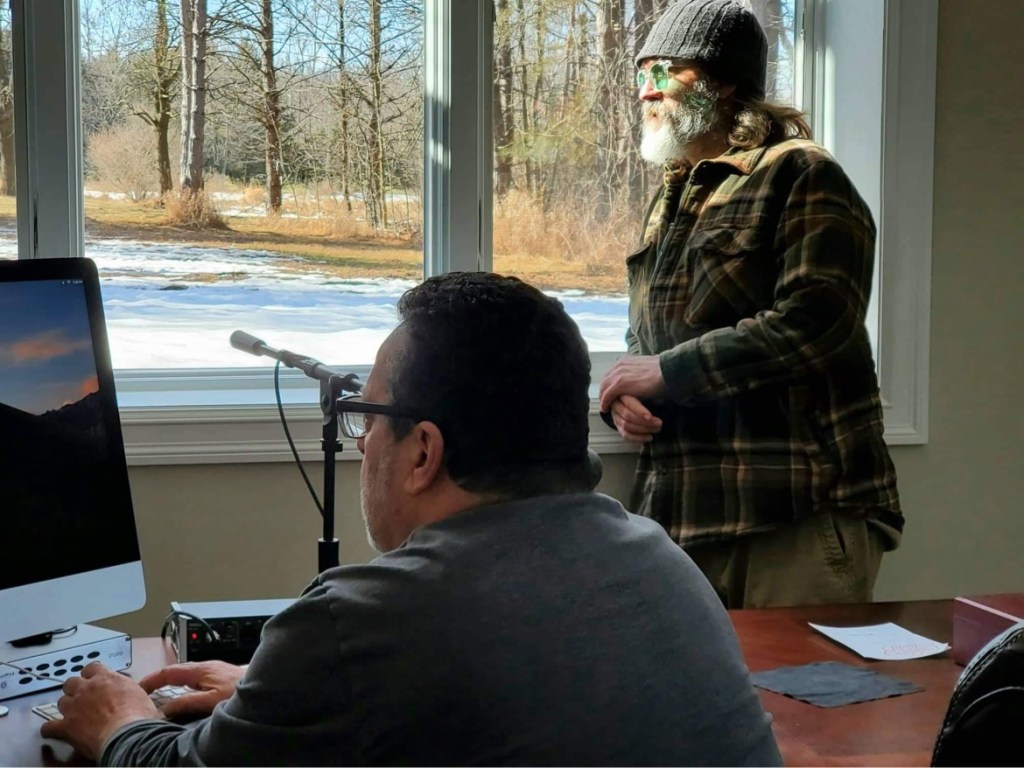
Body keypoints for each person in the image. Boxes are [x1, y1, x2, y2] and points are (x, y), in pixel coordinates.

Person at [43, 272, 782, 766]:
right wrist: (285, 697)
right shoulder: (659, 558)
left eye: (367, 418)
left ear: (423, 450)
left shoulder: (365, 618)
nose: (361, 443)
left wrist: (119, 717)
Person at [598, 0, 902, 609]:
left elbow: (818, 321)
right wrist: (628, 401)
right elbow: (650, 341)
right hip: (685, 521)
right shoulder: (670, 201)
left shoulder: (801, 173)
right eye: (640, 74)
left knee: (808, 678)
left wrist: (667, 372)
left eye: (662, 72)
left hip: (797, 515)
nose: (644, 90)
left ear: (721, 81)